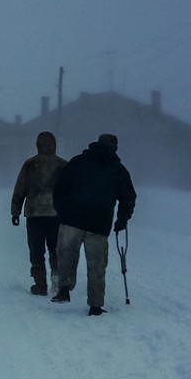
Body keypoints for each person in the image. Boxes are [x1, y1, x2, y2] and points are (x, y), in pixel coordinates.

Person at [50, 133, 137, 316]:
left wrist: (62, 211)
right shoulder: (117, 169)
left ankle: (64, 289)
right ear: (115, 148)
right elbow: (128, 197)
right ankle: (95, 305)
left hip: (71, 219)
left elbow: (60, 188)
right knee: (97, 265)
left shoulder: (78, 162)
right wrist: (122, 219)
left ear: (97, 143)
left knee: (66, 256)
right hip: (99, 224)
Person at [11, 131, 67, 296]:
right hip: (56, 214)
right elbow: (70, 190)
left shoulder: (30, 164)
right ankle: (57, 278)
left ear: (37, 145)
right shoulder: (63, 165)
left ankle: (40, 284)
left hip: (34, 213)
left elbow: (20, 189)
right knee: (55, 249)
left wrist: (15, 212)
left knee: (36, 250)